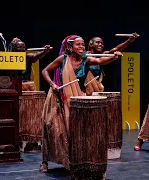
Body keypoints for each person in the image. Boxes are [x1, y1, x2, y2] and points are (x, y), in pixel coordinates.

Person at [40, 35, 122, 172]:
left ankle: (72, 160)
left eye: (83, 44)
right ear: (69, 47)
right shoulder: (63, 59)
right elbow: (45, 71)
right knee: (53, 130)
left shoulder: (86, 59)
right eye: (78, 44)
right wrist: (52, 84)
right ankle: (44, 161)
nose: (81, 47)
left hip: (76, 100)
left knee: (74, 131)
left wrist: (114, 57)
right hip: (58, 98)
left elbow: (101, 60)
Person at [8, 37, 51, 151]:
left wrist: (44, 52)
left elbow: (34, 56)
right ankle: (14, 137)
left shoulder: (26, 57)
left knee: (29, 114)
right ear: (13, 48)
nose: (22, 49)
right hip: (12, 87)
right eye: (19, 47)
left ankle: (30, 137)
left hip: (26, 87)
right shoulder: (7, 59)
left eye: (23, 48)